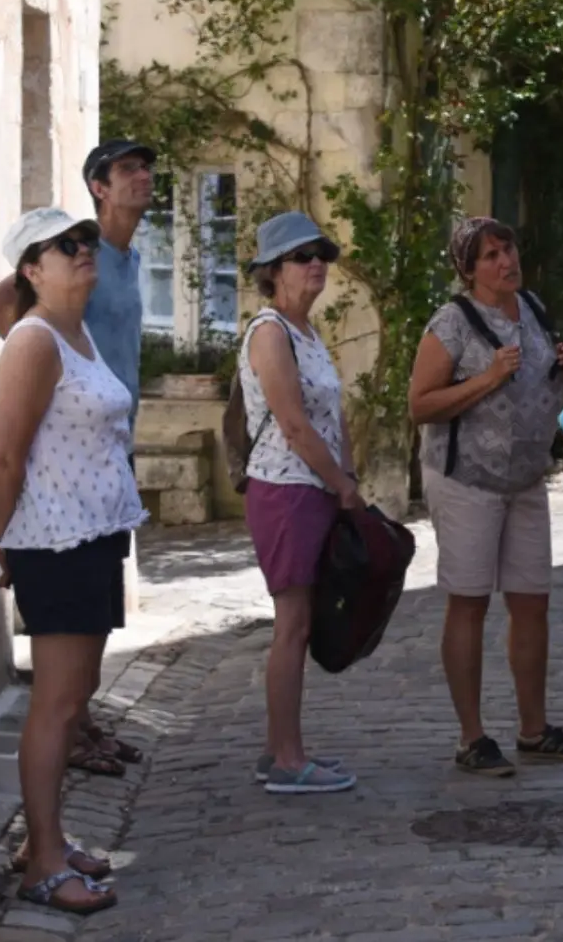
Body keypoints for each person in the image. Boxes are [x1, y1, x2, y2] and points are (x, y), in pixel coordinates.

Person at [0, 208, 148, 914]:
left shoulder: (74, 331)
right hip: (54, 545)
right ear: (30, 268)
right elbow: (0, 457)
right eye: (63, 246)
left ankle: (43, 838)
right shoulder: (33, 340)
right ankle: (42, 865)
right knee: (54, 708)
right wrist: (1, 541)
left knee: (74, 704)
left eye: (85, 241)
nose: (84, 251)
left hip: (94, 538)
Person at [407, 216, 563, 776]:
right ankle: (472, 737)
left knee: (532, 601)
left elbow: (537, 386)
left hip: (526, 479)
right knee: (469, 601)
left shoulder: (533, 307)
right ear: (468, 270)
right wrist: (486, 379)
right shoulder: (452, 322)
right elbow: (420, 404)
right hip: (467, 480)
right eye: (490, 256)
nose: (505, 261)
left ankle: (534, 730)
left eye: (508, 248)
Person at [239, 211, 359, 794]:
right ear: (272, 271)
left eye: (322, 255)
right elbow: (292, 424)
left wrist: (347, 476)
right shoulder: (270, 332)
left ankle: (278, 749)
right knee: (292, 623)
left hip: (313, 489)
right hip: (286, 491)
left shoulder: (307, 332)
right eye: (301, 256)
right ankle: (287, 758)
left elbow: (334, 414)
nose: (316, 264)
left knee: (302, 621)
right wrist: (340, 483)